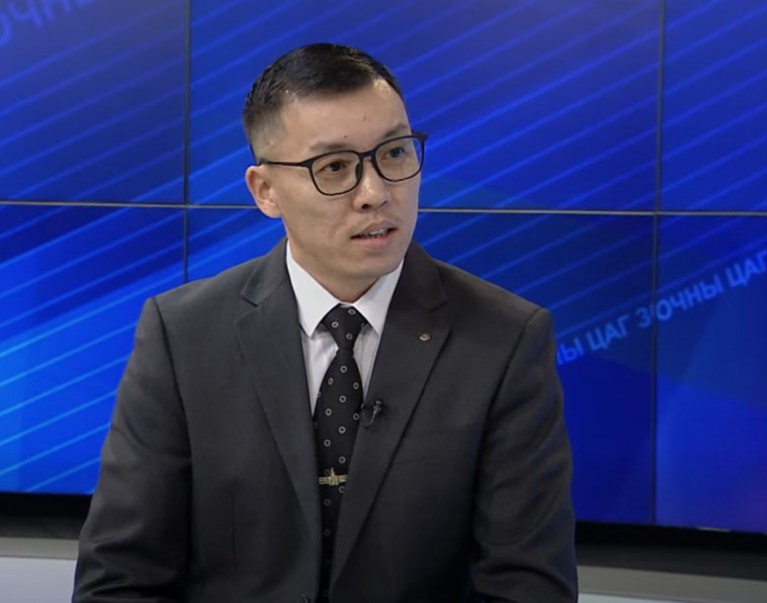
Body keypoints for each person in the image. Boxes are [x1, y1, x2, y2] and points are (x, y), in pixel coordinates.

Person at [73, 43, 577, 603]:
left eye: (394, 153)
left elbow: (527, 587)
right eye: (334, 167)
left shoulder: (505, 341)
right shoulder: (182, 336)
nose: (376, 193)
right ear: (265, 191)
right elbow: (120, 579)